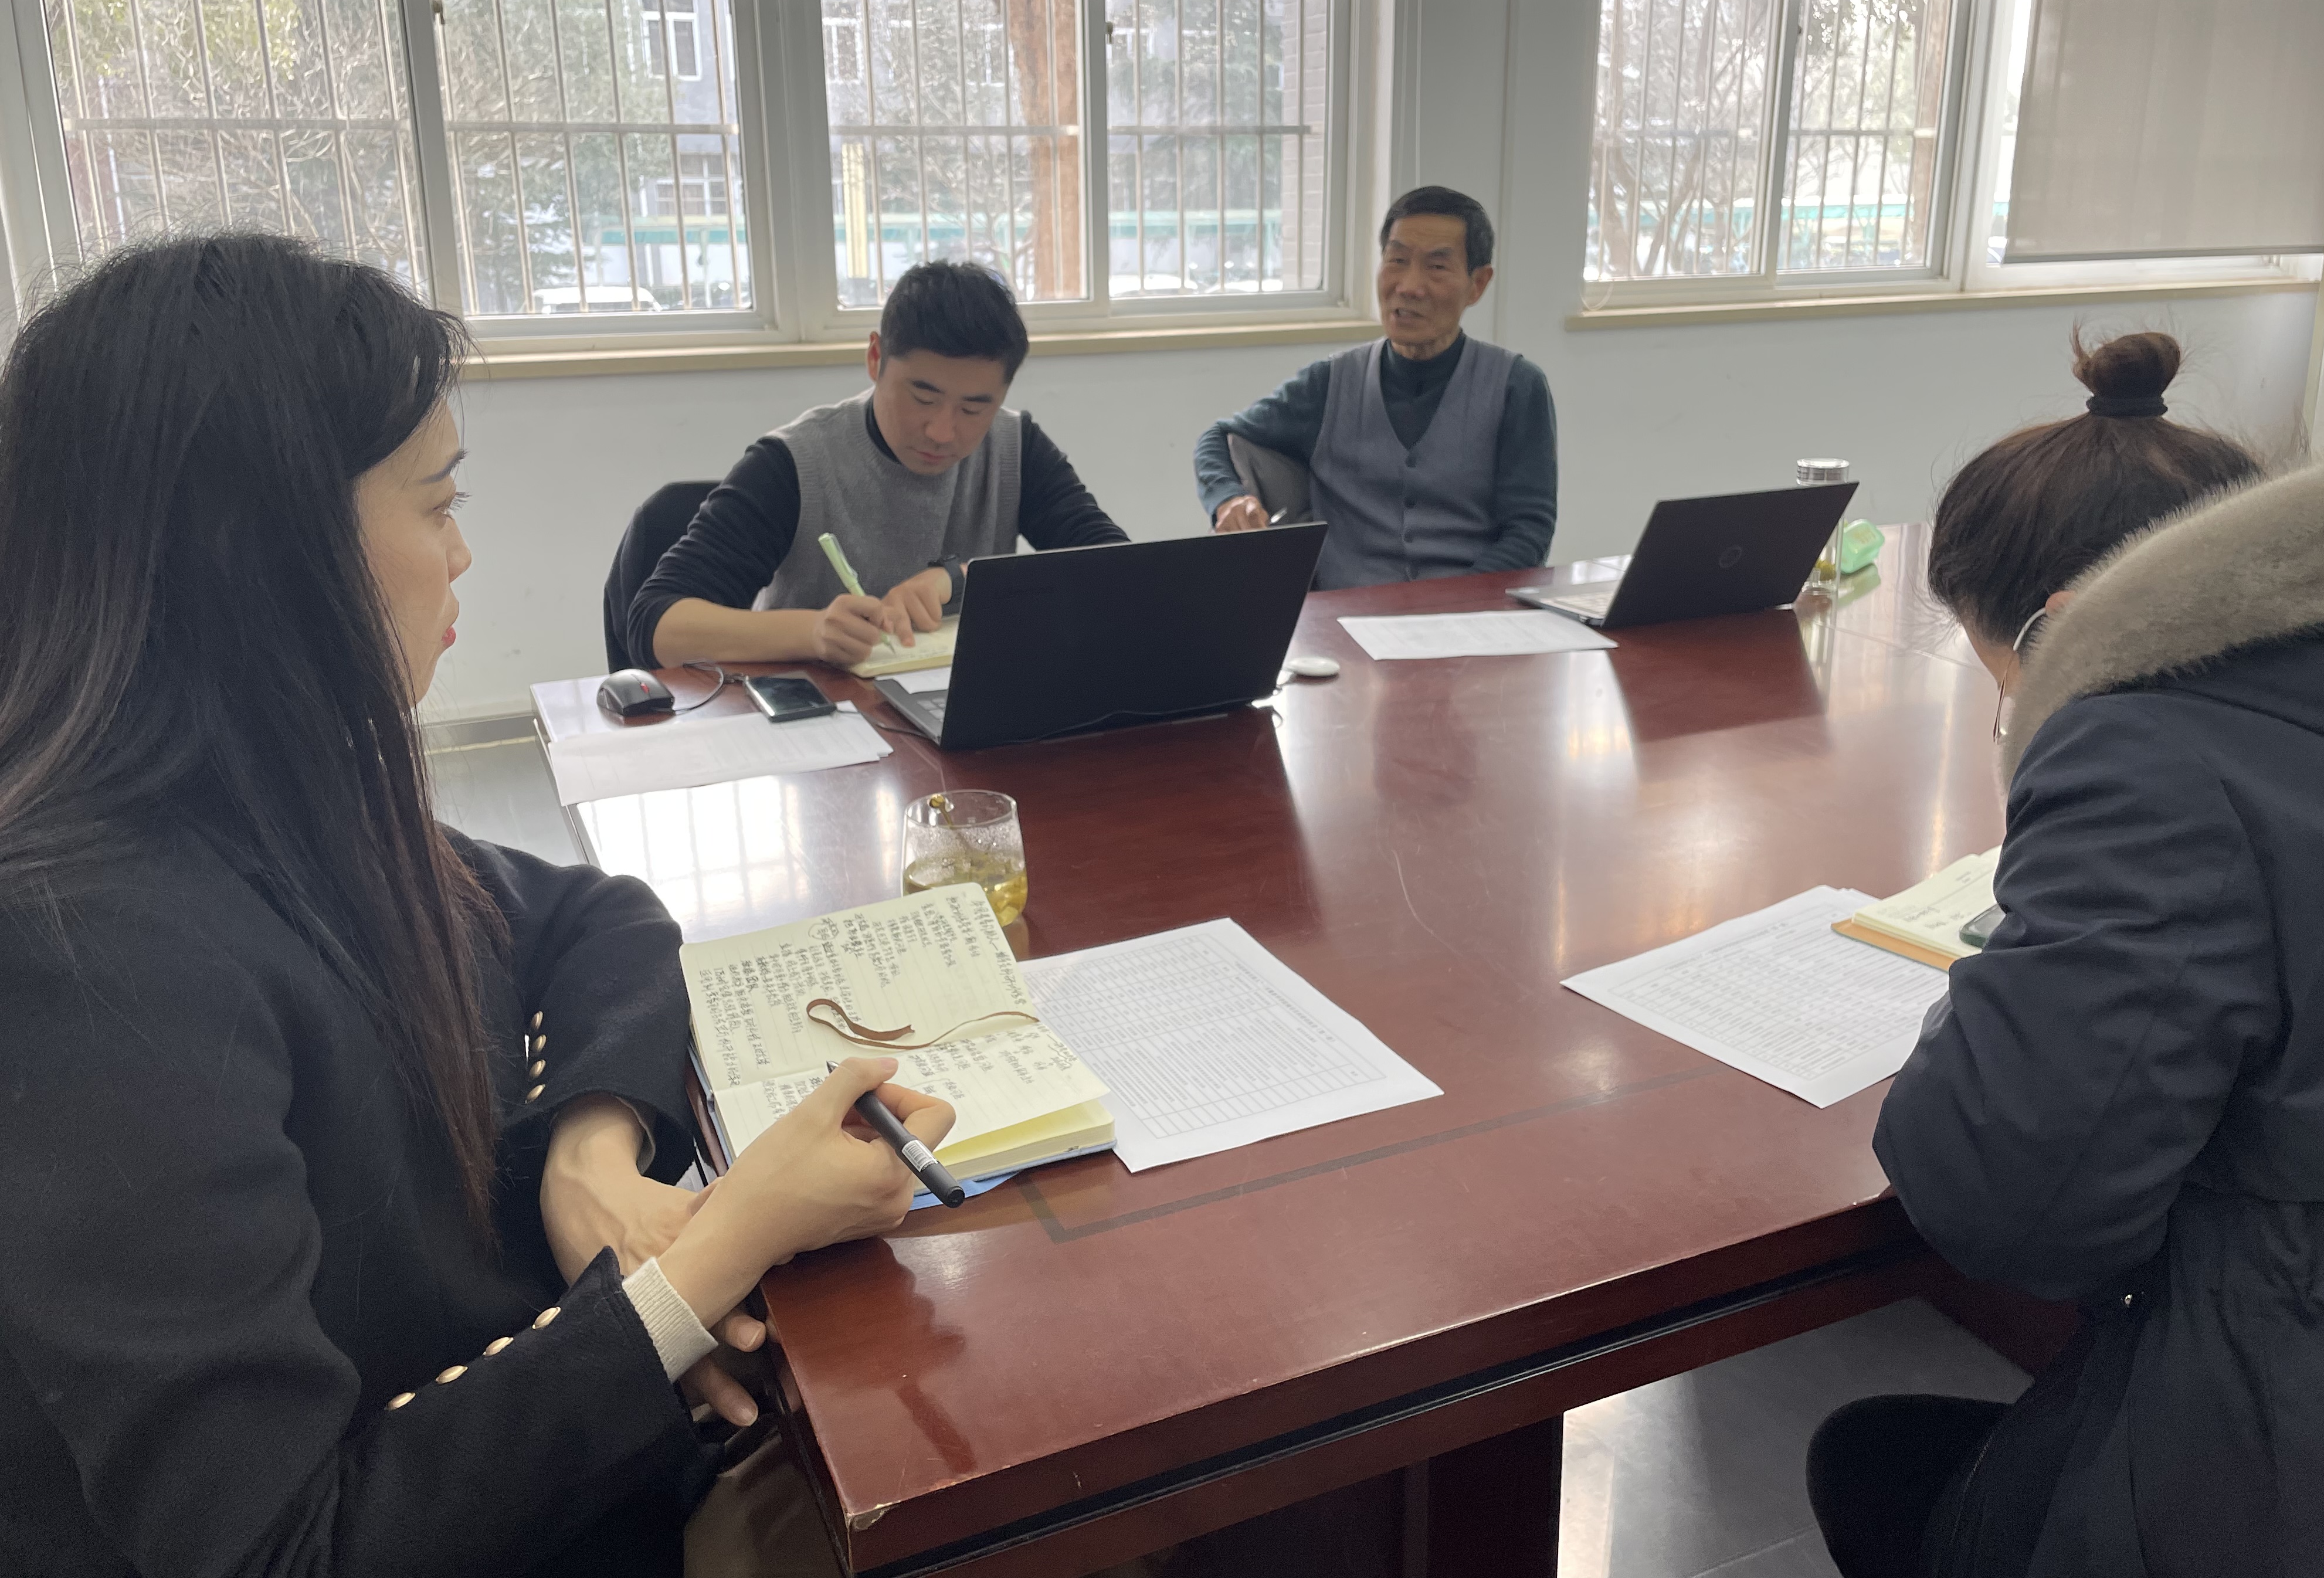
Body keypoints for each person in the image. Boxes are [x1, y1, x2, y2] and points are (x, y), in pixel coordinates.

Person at [0, 234, 955, 1576]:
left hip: (547, 1439)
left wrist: (586, 1155)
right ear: (261, 550)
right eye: (435, 503)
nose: (462, 555)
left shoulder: (286, 797)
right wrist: (715, 1255)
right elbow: (288, 1547)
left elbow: (591, 915)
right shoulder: (85, 961)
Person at [1808, 330, 2324, 1577]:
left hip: (2291, 1455)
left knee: (1873, 1462)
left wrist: (1999, 972)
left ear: (2066, 627)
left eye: (2007, 683)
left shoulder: (2147, 749)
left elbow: (2004, 1205)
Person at [630, 260, 1127, 669]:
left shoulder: (1016, 447)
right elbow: (657, 625)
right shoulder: (794, 463)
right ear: (875, 358)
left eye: (974, 409)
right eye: (923, 397)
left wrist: (961, 579)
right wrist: (814, 632)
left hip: (959, 715)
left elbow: (1121, 575)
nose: (942, 431)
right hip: (822, 725)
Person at [1190, 185, 1558, 589]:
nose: (1410, 286)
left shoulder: (1516, 387)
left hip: (1470, 610)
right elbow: (1218, 437)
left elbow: (1529, 532)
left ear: (1478, 284)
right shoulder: (1328, 384)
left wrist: (1455, 603)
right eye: (1397, 261)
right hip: (1342, 614)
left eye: (1437, 267)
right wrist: (1228, 498)